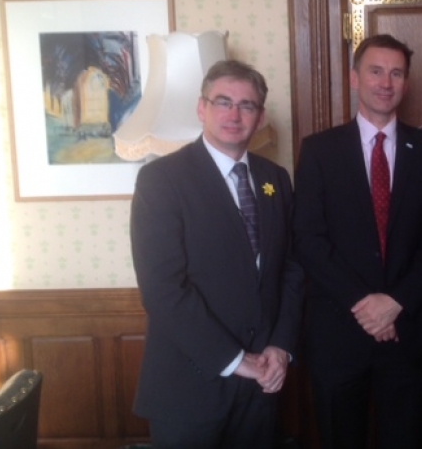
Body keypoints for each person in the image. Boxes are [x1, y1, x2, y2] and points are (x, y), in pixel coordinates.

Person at [293, 34, 422, 449]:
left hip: (410, 332)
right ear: (354, 78)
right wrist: (366, 305)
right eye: (376, 71)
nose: (386, 82)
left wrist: (394, 302)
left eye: (396, 73)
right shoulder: (318, 151)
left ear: (405, 82)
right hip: (339, 333)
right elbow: (309, 239)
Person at [129, 59, 303, 449]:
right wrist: (234, 360)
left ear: (259, 117)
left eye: (247, 105)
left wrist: (280, 347)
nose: (234, 114)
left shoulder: (275, 179)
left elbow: (291, 269)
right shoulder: (162, 180)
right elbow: (162, 289)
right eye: (223, 101)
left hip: (262, 384)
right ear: (201, 107)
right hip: (189, 387)